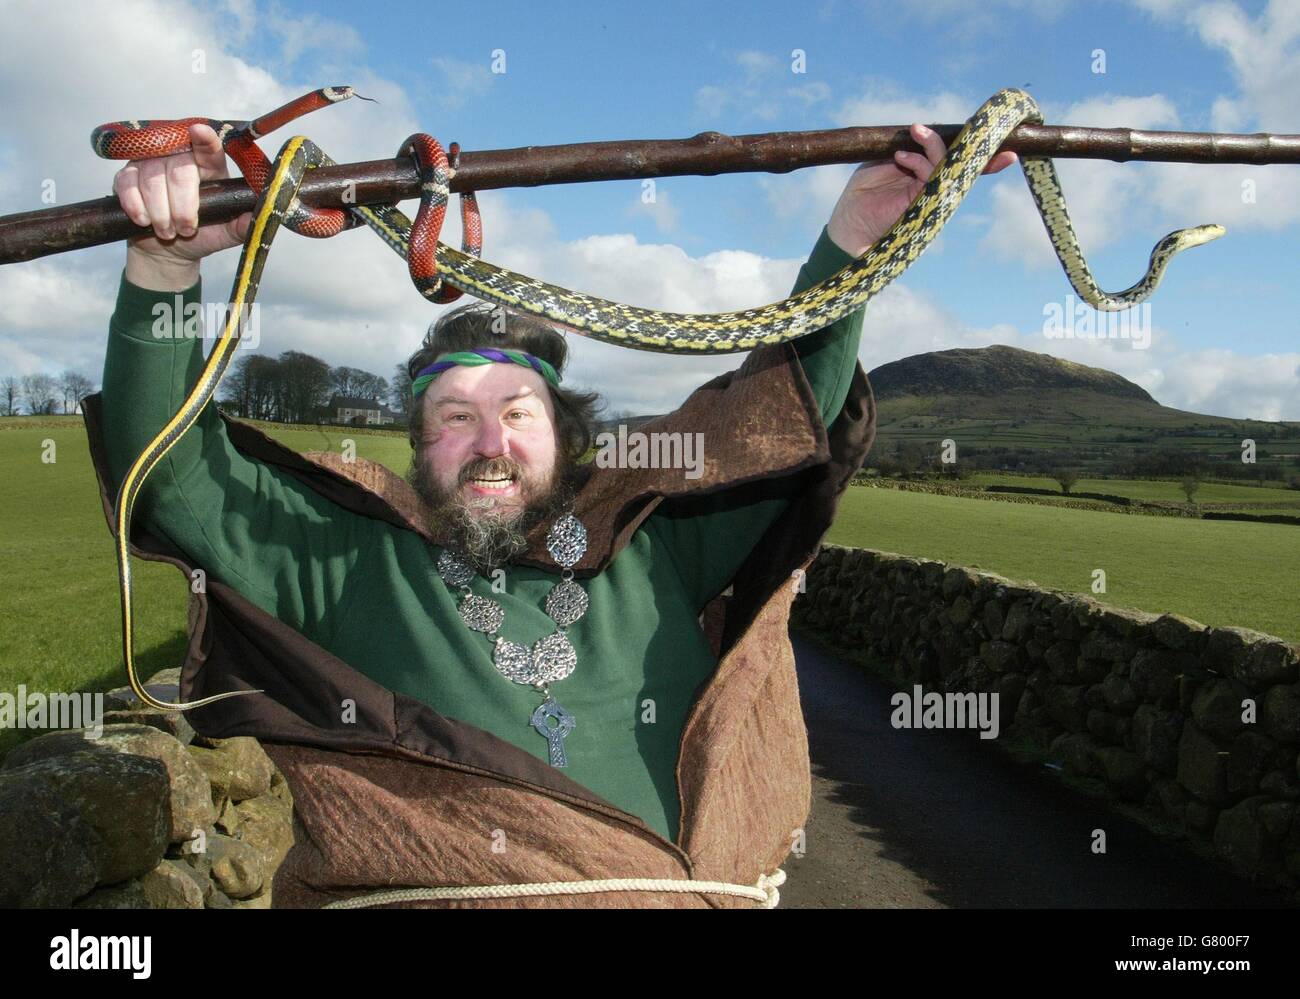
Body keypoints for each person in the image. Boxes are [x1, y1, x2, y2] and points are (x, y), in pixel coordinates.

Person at [88, 121, 1015, 908]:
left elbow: (779, 424)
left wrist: (853, 239)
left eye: (517, 412)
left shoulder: (656, 543)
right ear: (419, 447)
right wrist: (164, 265)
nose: (490, 439)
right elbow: (171, 474)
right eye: (455, 417)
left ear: (566, 438)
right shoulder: (350, 556)